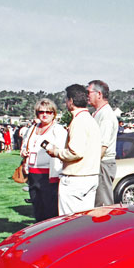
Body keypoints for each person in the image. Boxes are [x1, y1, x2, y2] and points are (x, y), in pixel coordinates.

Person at [46, 85, 101, 215]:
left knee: (70, 222)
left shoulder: (79, 121)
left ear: (71, 101)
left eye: (66, 99)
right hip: (90, 176)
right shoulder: (90, 119)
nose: (65, 102)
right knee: (84, 221)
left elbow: (75, 152)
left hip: (76, 178)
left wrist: (56, 152)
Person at [21, 98, 66, 221]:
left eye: (48, 112)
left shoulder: (58, 130)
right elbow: (25, 145)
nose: (45, 114)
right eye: (41, 112)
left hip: (49, 176)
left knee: (50, 211)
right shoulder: (32, 129)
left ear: (54, 114)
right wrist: (23, 152)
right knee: (37, 209)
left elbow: (62, 151)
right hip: (32, 174)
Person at [87, 80, 118, 207]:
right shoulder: (98, 113)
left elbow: (102, 147)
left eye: (88, 92)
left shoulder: (106, 116)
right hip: (99, 164)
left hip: (102, 164)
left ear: (99, 94)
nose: (86, 96)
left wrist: (90, 165)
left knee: (103, 206)